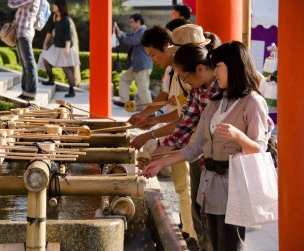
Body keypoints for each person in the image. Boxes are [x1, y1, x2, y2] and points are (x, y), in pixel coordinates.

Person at [143, 41, 270, 251]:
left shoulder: (253, 102)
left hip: (234, 189)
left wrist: (238, 135)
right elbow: (197, 145)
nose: (215, 73)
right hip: (210, 185)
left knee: (230, 245)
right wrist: (161, 162)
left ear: (234, 66)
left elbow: (259, 149)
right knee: (212, 243)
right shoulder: (216, 100)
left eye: (218, 66)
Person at [38, 0, 80, 98]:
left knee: (66, 68)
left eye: (55, 5)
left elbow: (67, 35)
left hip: (66, 47)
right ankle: (51, 80)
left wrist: (67, 49)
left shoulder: (66, 19)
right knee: (45, 58)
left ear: (60, 6)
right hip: (56, 46)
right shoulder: (54, 17)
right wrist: (45, 42)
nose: (53, 6)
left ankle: (71, 90)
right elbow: (49, 31)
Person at [113, 13, 152, 107]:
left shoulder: (143, 31)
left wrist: (120, 34)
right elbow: (129, 36)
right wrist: (120, 33)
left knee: (143, 89)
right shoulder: (139, 31)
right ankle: (124, 102)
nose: (130, 24)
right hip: (137, 65)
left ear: (138, 22)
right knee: (124, 79)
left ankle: (150, 110)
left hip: (142, 65)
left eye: (132, 22)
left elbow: (132, 40)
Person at [8, 0, 40, 101]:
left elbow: (12, 4)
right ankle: (26, 92)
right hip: (20, 33)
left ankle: (31, 92)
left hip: (24, 33)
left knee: (29, 63)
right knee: (25, 64)